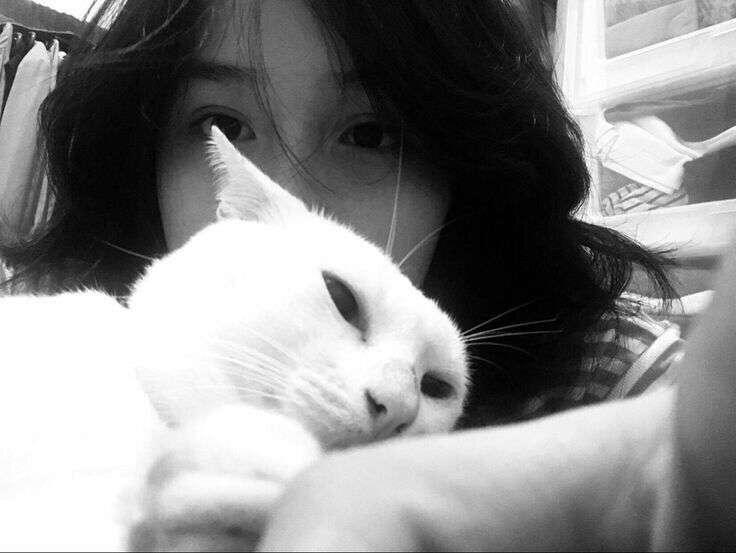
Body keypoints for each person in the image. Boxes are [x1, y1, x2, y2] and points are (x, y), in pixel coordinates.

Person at [0, 0, 680, 427]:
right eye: (224, 126)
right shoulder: (54, 351)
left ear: (465, 158)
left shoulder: (603, 382)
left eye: (369, 134)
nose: (292, 195)